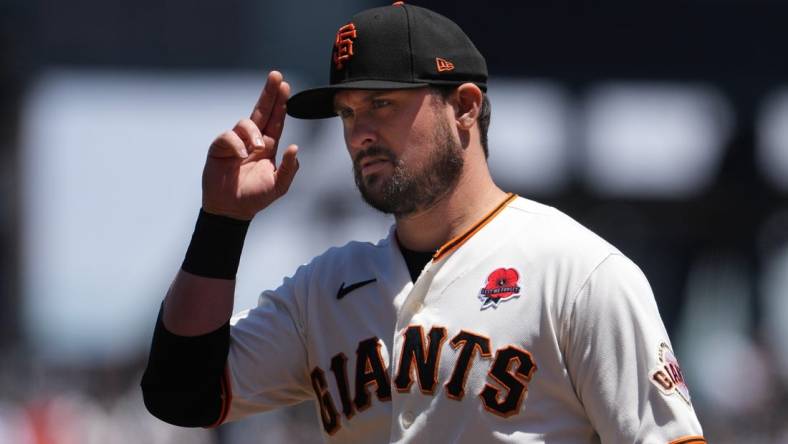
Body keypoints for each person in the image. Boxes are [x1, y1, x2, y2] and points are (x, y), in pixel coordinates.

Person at [141, 3, 706, 443]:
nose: (359, 132)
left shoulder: (580, 274)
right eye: (347, 113)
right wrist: (221, 223)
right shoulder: (324, 289)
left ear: (463, 106)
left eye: (383, 103)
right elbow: (181, 394)